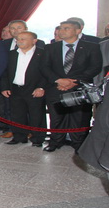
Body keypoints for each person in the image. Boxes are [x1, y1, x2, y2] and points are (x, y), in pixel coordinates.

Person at [41, 20, 102, 153]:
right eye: (61, 28)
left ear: (78, 30)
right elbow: (44, 67)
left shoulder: (91, 47)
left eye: (66, 28)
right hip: (56, 87)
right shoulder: (50, 47)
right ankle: (55, 141)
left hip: (79, 88)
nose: (61, 31)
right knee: (56, 117)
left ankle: (79, 144)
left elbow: (95, 67)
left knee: (79, 118)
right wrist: (59, 80)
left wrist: (74, 81)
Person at [0, 31, 47, 146]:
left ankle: (37, 138)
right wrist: (5, 87)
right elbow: (5, 72)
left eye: (23, 39)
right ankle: (19, 136)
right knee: (17, 114)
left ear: (34, 41)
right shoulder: (12, 54)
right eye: (18, 39)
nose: (19, 41)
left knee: (36, 115)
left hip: (34, 89)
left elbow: (47, 73)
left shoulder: (42, 54)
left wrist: (41, 87)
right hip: (16, 88)